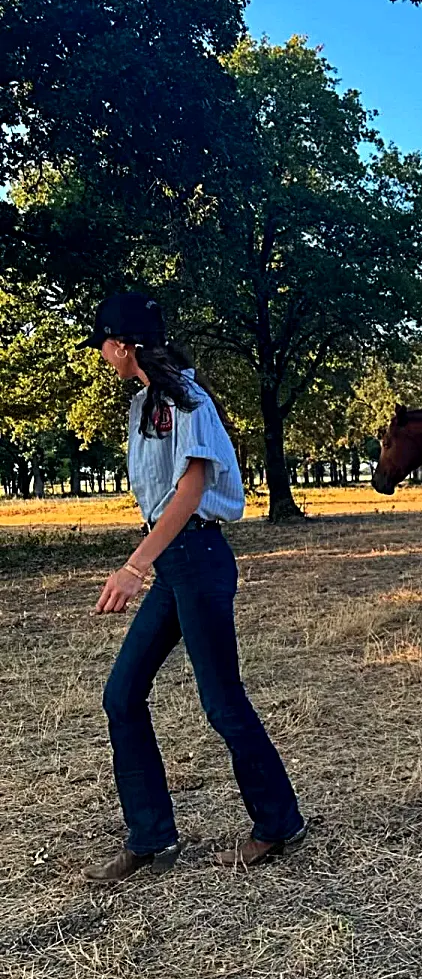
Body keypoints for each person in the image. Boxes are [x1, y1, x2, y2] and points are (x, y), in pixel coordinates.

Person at [82, 291, 306, 882]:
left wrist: (134, 568)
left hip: (198, 556)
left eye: (103, 343)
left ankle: (279, 822)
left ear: (123, 344)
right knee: (122, 694)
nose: (101, 355)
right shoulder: (147, 404)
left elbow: (190, 489)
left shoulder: (186, 397)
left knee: (221, 700)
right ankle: (151, 836)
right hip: (177, 562)